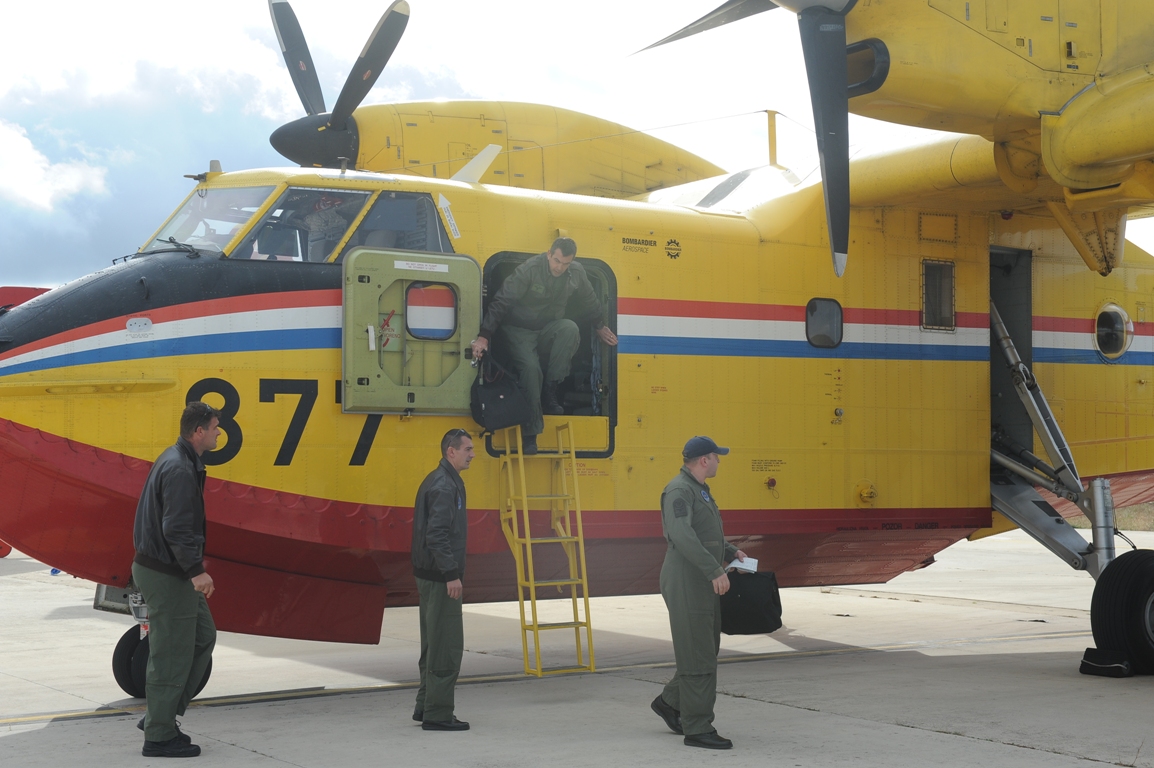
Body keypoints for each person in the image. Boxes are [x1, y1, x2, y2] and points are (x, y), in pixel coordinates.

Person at [131, 402, 221, 758]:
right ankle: (158, 735)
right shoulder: (180, 468)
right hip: (169, 573)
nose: (217, 433)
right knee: (171, 654)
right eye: (215, 427)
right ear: (198, 431)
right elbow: (177, 528)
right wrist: (196, 572)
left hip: (165, 568)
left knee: (203, 636)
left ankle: (161, 714)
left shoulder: (178, 459)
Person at [469, 237, 617, 454]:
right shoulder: (529, 270)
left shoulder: (575, 273)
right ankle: (531, 434)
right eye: (556, 261)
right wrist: (484, 336)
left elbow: (590, 299)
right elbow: (502, 300)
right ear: (549, 254)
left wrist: (599, 326)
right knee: (531, 370)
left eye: (565, 263)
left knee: (570, 329)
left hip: (547, 327)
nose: (559, 267)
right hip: (518, 330)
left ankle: (551, 389)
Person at [650, 436, 747, 750]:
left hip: (698, 578)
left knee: (705, 648)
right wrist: (714, 569)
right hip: (688, 578)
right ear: (705, 459)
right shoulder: (680, 490)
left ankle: (669, 702)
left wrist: (730, 552)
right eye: (717, 456)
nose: (720, 461)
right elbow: (681, 534)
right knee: (699, 654)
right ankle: (698, 727)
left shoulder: (698, 490)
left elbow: (703, 533)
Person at [411, 428, 475, 731]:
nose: (472, 454)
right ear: (451, 451)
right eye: (467, 449)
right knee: (446, 646)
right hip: (440, 577)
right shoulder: (445, 486)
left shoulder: (440, 480)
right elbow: (436, 535)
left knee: (432, 643)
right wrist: (451, 575)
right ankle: (438, 713)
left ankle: (425, 705)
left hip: (429, 574)